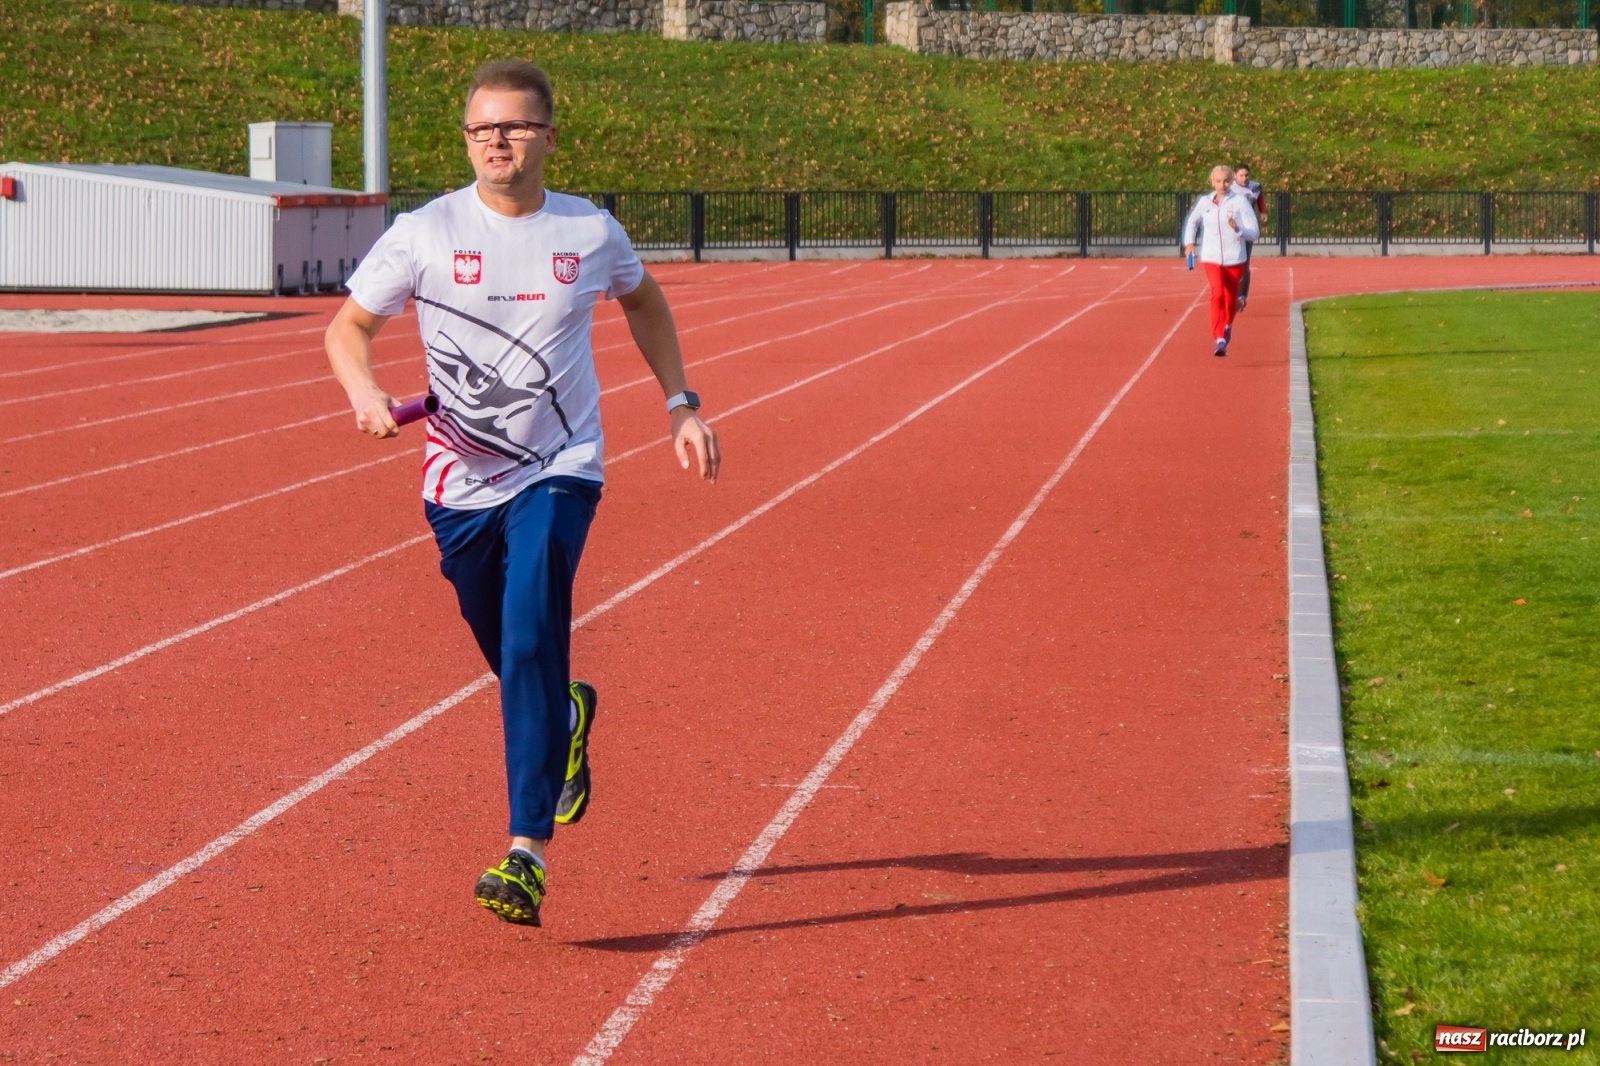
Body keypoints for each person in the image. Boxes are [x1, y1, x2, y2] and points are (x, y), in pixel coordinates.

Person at [325, 59, 720, 927]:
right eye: (480, 128)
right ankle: (564, 712)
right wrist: (362, 391)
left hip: (559, 466)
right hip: (456, 483)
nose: (495, 140)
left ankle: (524, 852)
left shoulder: (588, 232)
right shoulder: (425, 233)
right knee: (509, 649)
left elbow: (646, 304)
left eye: (513, 126)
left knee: (534, 623)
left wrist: (680, 405)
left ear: (547, 136)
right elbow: (348, 327)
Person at [1183, 165, 1259, 357]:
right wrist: (1189, 244)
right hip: (1211, 257)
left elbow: (1254, 232)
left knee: (1230, 301)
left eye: (1226, 181)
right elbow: (1193, 221)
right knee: (1216, 294)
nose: (1222, 185)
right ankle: (1219, 339)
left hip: (1235, 259)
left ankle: (1227, 325)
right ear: (1212, 182)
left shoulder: (1240, 202)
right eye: (1218, 181)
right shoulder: (1204, 202)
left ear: (1231, 182)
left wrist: (1238, 229)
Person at [1232, 163, 1266, 310]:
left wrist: (1263, 211)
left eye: (1246, 175)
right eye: (1241, 175)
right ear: (1235, 176)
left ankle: (1241, 297)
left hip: (1247, 228)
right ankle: (1229, 294)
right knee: (1230, 262)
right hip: (1231, 230)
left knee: (1244, 262)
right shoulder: (1229, 188)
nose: (1244, 178)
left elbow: (1259, 198)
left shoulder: (1255, 187)